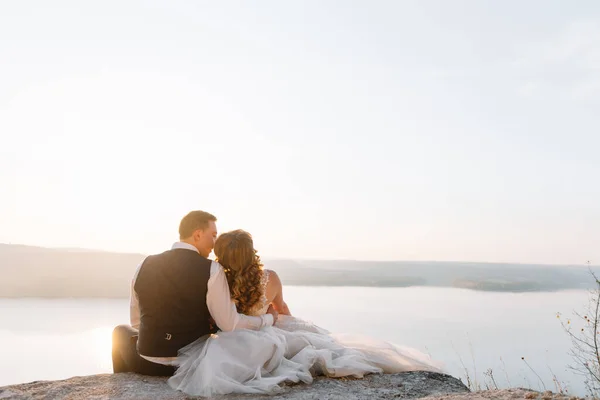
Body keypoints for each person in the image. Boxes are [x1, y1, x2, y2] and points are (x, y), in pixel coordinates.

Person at [168, 229, 443, 397]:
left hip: (228, 343)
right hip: (264, 336)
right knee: (315, 341)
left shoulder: (216, 279)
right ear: (251, 253)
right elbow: (282, 310)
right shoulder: (270, 278)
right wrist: (284, 323)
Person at [111, 211, 278, 376]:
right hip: (190, 364)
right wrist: (268, 319)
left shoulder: (144, 264)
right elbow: (229, 324)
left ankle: (120, 387)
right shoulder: (212, 269)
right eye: (212, 236)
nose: (214, 244)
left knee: (120, 332)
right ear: (197, 234)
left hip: (147, 364)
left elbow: (135, 322)